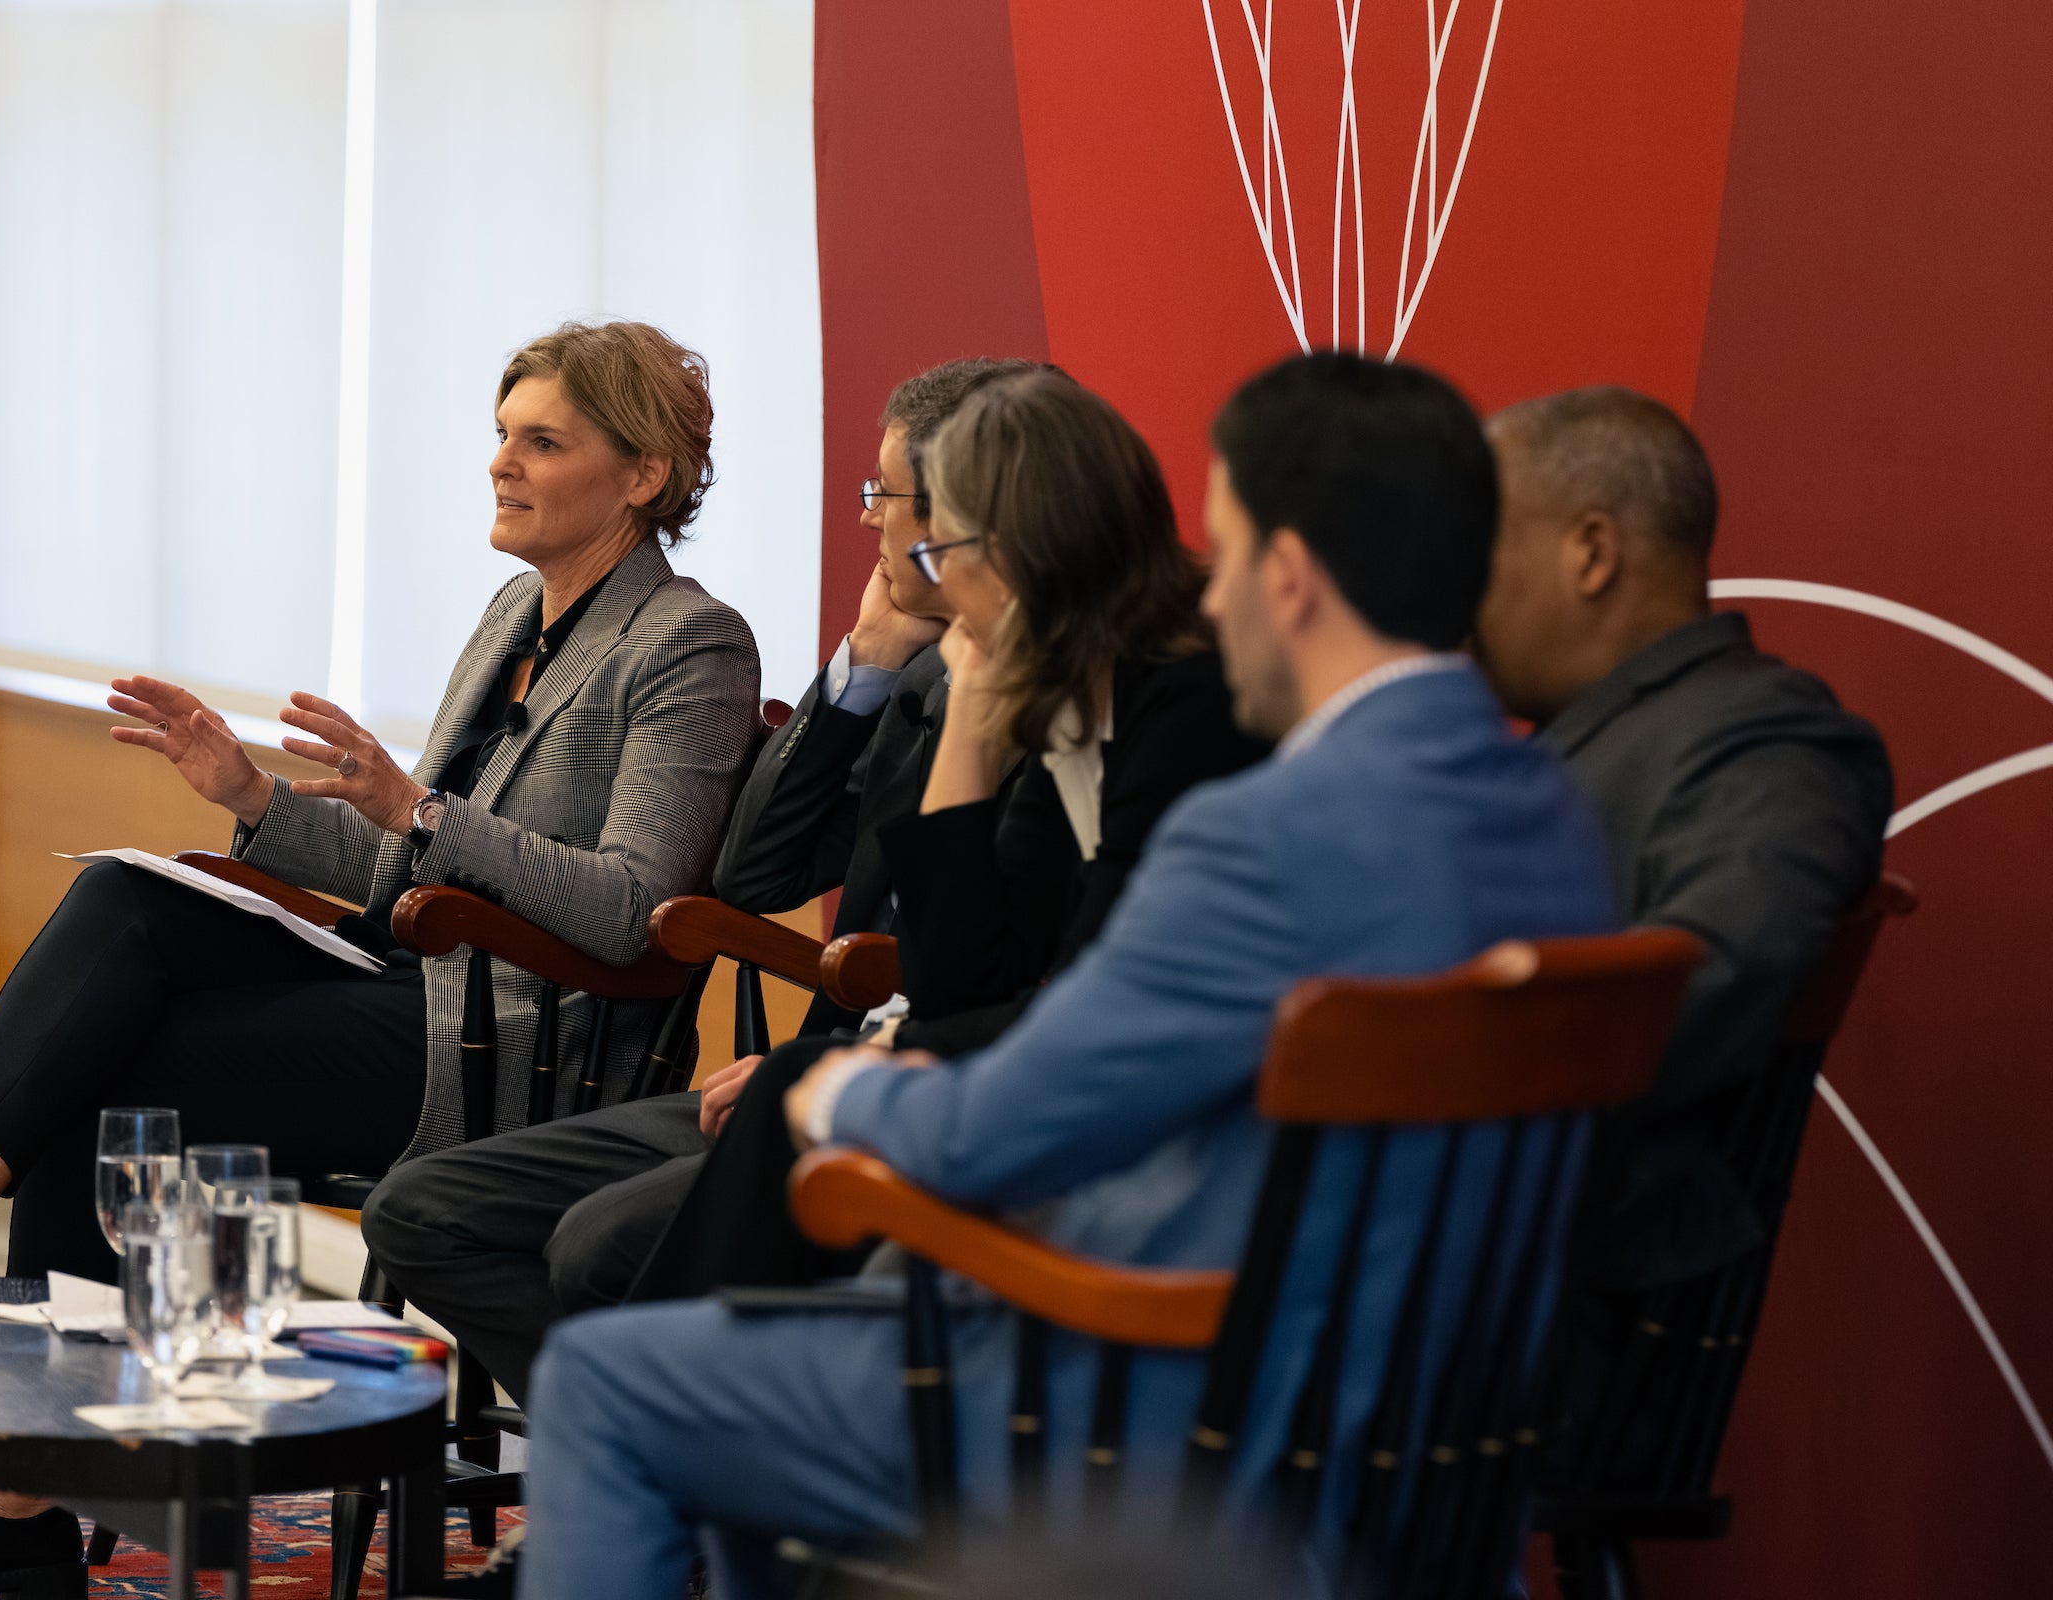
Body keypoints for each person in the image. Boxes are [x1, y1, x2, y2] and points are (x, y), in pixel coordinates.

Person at [513, 353, 1617, 1600]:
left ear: (1294, 581)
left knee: (613, 1381)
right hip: (1426, 1430)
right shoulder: (1555, 817)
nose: (1217, 591)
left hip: (1167, 1401)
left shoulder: (1259, 831)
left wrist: (829, 1100)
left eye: (1234, 549)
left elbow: (987, 1134)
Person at [0, 319, 761, 1598]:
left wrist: (418, 806)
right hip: (407, 981)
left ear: (641, 476)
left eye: (542, 441)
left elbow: (633, 907)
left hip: (517, 1038)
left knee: (96, 1084)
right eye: (500, 436)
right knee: (137, 907)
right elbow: (408, 881)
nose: (501, 465)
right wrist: (249, 795)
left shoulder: (692, 643)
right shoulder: (514, 613)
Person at [358, 358, 1045, 1409]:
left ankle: (655, 1473)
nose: (866, 523)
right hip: (828, 1065)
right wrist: (863, 660)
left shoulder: (702, 637)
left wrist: (868, 1058)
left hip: (877, 1083)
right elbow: (755, 867)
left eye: (884, 499)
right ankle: (654, 1464)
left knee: (590, 1244)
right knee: (417, 1208)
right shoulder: (916, 677)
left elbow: (652, 903)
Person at [627, 369, 1270, 1305]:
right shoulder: (1053, 681)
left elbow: (1094, 993)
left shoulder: (1185, 706)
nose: (912, 559)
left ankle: (666, 1397)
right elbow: (950, 967)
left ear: (1009, 550)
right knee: (784, 1101)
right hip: (1020, 1074)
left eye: (940, 544)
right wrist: (971, 704)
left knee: (791, 1099)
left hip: (1136, 1141)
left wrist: (880, 1057)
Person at [1470, 385, 1892, 1475]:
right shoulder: (1560, 750)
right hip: (1452, 1271)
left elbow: (1724, 962)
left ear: (1592, 552)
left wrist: (1415, 1071)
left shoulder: (1767, 740)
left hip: (1553, 1317)